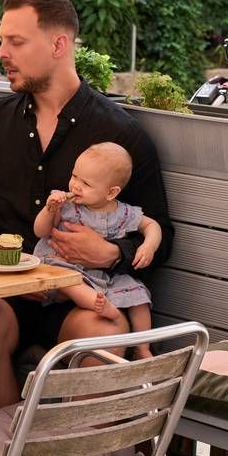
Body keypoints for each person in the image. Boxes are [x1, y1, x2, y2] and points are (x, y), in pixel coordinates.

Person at [0, 0, 173, 410]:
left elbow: (160, 232)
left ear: (58, 45)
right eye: (1, 41)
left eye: (15, 42)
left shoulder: (120, 134)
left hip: (82, 295)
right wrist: (8, 266)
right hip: (2, 292)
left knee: (105, 338)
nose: (1, 52)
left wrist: (111, 253)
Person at [33, 142, 161, 360]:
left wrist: (148, 245)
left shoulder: (123, 212)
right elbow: (40, 231)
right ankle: (96, 304)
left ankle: (142, 347)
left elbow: (152, 226)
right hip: (62, 265)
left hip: (102, 276)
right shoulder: (65, 204)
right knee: (69, 280)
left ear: (111, 192)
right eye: (74, 176)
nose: (75, 186)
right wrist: (49, 209)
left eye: (86, 183)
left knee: (139, 295)